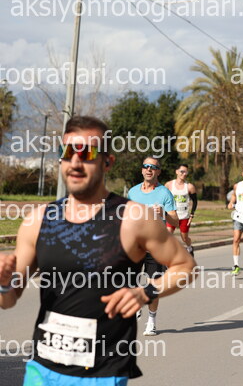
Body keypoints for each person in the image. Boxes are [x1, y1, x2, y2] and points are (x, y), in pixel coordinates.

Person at [0, 116, 196, 384]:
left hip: (102, 373)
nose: (75, 162)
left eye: (87, 153)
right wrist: (3, 284)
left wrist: (145, 292)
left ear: (107, 162)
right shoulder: (38, 221)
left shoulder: (133, 218)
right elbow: (9, 299)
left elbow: (185, 266)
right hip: (43, 369)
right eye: (67, 152)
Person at [128, 156, 179, 336]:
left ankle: (151, 320)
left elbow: (176, 221)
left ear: (158, 171)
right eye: (146, 166)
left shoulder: (164, 193)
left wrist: (164, 213)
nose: (149, 169)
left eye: (153, 167)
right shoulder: (133, 192)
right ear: (142, 170)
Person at [165, 164, 198, 256]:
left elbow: (195, 201)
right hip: (172, 215)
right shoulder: (169, 185)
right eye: (182, 171)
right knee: (168, 234)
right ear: (177, 172)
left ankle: (189, 247)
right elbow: (163, 198)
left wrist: (192, 214)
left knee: (184, 238)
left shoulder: (189, 186)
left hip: (184, 216)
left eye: (186, 172)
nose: (184, 174)